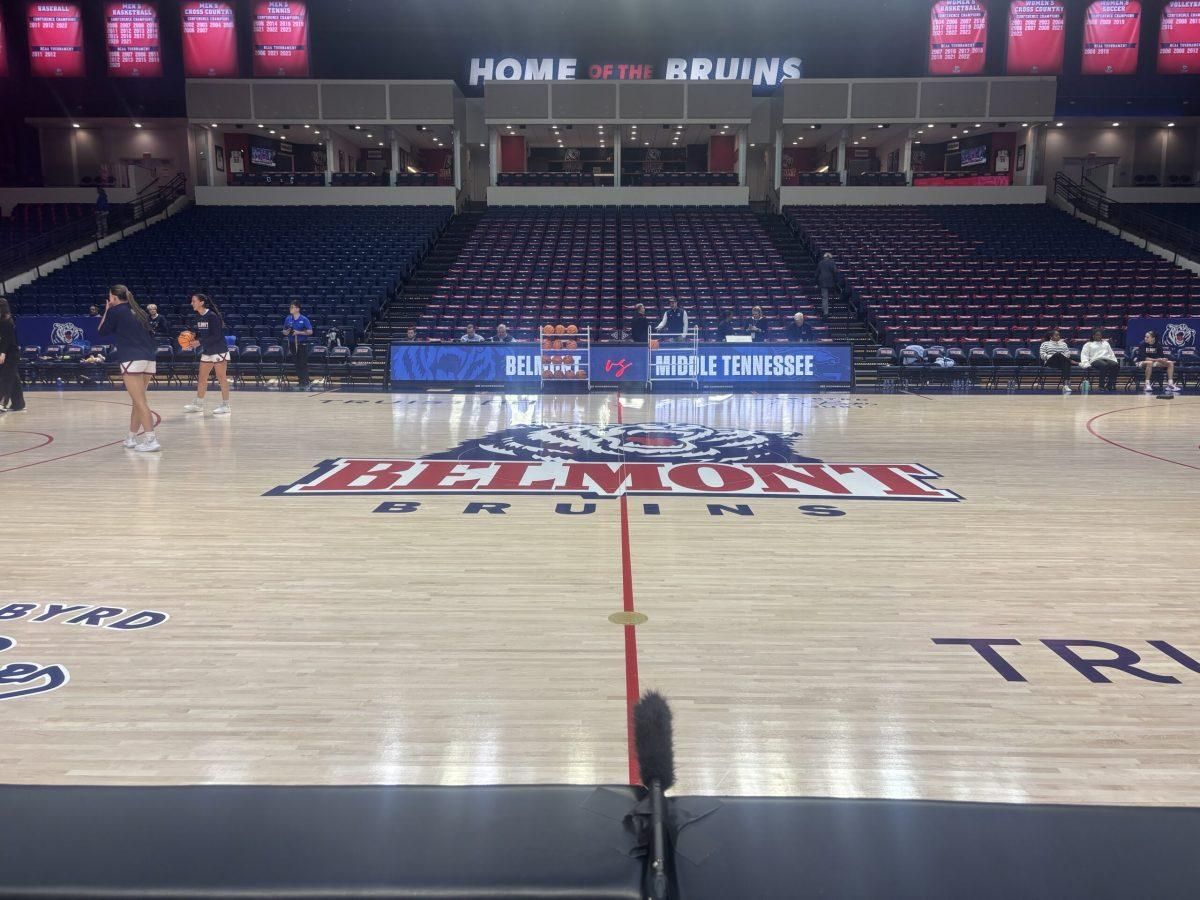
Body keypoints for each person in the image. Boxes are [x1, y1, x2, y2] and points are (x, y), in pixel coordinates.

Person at [97, 285, 159, 451]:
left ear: (115, 298)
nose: (109, 300)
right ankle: (131, 437)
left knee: (140, 402)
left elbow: (101, 331)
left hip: (132, 358)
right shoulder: (139, 311)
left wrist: (106, 310)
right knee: (138, 401)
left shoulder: (115, 310)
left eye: (110, 297)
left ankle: (151, 440)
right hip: (149, 358)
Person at [183, 293, 231, 415]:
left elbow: (217, 335)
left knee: (221, 378)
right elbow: (203, 333)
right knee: (202, 378)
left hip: (219, 349)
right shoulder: (198, 316)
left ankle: (226, 405)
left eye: (193, 301)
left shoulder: (212, 316)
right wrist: (192, 338)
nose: (191, 303)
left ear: (201, 302)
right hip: (207, 350)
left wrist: (199, 342)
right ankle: (199, 404)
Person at [0, 298, 26, 414]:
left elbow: (7, 340)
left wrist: (2, 353)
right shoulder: (2, 320)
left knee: (6, 379)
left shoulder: (7, 321)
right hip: (7, 353)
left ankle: (2, 404)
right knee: (13, 379)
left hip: (10, 354)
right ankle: (18, 404)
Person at [282, 301, 314, 388]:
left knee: (302, 363)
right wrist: (287, 331)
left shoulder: (304, 319)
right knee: (296, 363)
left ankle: (306, 381)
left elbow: (310, 331)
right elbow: (284, 331)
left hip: (302, 344)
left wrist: (299, 332)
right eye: (290, 307)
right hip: (292, 344)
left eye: (292, 307)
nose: (290, 309)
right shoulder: (288, 319)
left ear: (297, 309)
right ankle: (301, 381)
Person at [1079, 327, 1120, 392]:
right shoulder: (1088, 344)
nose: (1099, 336)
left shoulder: (1106, 343)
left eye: (1100, 335)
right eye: (1097, 335)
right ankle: (1101, 386)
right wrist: (1086, 364)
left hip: (1106, 359)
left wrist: (1115, 361)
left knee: (1116, 365)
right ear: (1093, 336)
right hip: (1095, 360)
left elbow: (1111, 353)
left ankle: (1110, 385)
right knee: (1104, 365)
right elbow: (1084, 355)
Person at [1039, 328, 1074, 392]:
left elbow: (1068, 354)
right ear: (1051, 337)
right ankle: (1072, 363)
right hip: (1050, 363)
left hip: (1061, 363)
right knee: (1058, 354)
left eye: (1059, 335)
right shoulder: (1045, 344)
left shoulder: (1063, 344)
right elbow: (1042, 355)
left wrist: (1061, 357)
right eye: (1056, 335)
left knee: (1066, 362)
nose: (1058, 336)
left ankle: (1065, 385)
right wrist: (1053, 356)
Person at [816, 252, 838, 317]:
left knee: (825, 297)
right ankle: (828, 311)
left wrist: (816, 282)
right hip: (831, 282)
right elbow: (835, 272)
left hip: (822, 282)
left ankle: (825, 312)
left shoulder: (820, 262)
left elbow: (817, 273)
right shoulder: (832, 262)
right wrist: (836, 281)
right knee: (829, 297)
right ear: (830, 257)